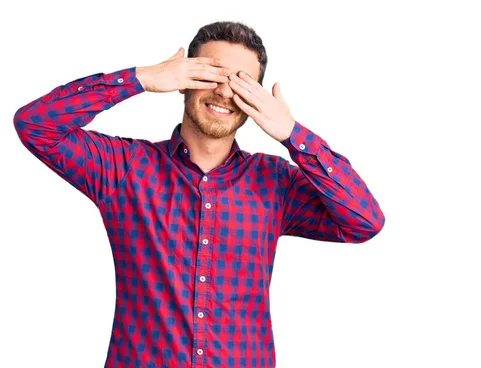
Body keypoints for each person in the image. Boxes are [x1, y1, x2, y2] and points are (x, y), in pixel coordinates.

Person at [13, 21, 385, 368]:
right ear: (184, 79)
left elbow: (364, 221)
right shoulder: (124, 169)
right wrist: (140, 79)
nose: (224, 91)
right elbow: (35, 125)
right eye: (211, 75)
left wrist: (292, 133)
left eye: (241, 83)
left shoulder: (276, 182)